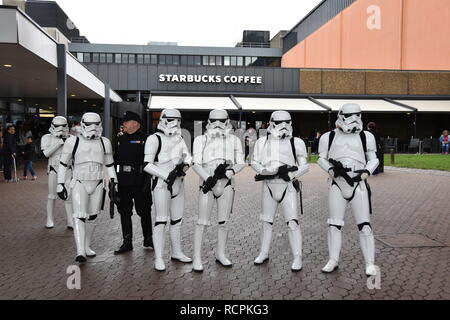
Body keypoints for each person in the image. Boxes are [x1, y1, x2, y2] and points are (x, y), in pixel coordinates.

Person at [317, 103, 379, 276]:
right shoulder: (328, 137)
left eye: (357, 115)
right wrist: (330, 169)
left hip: (358, 183)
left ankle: (369, 263)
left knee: (365, 224)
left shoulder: (366, 137)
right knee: (334, 224)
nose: (354, 120)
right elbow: (321, 158)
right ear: (340, 116)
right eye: (349, 116)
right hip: (336, 183)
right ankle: (333, 259)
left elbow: (374, 159)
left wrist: (366, 172)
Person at [251, 111, 309, 271]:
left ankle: (297, 256)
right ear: (271, 124)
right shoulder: (261, 142)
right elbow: (254, 162)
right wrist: (264, 171)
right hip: (268, 185)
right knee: (266, 222)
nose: (284, 126)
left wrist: (292, 174)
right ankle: (263, 252)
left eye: (287, 122)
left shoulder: (296, 142)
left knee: (292, 222)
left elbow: (305, 165)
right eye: (279, 123)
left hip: (287, 187)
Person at [57, 112, 118, 262]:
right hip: (79, 181)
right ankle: (80, 250)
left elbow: (109, 164)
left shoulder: (105, 142)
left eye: (96, 124)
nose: (93, 128)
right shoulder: (73, 142)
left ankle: (86, 246)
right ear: (83, 124)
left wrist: (114, 182)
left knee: (92, 217)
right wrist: (59, 184)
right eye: (89, 124)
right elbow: (63, 164)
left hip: (97, 182)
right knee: (79, 216)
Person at [191, 109, 246, 272]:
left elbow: (240, 162)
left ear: (228, 122)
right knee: (202, 222)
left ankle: (221, 254)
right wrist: (207, 178)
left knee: (224, 222)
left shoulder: (235, 140)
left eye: (222, 121)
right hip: (207, 184)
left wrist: (230, 172)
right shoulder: (200, 140)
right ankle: (197, 257)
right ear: (208, 122)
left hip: (227, 184)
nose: (218, 125)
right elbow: (196, 163)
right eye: (214, 121)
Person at [143, 109, 192, 271]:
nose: (175, 123)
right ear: (163, 120)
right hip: (161, 185)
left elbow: (188, 157)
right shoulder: (154, 138)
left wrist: (184, 167)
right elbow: (147, 164)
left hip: (178, 184)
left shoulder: (180, 138)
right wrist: (166, 175)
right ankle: (159, 257)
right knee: (161, 220)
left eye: (178, 120)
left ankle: (176, 252)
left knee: (177, 221)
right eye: (171, 120)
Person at [113, 111, 153, 255]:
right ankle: (127, 241)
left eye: (126, 121)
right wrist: (114, 181)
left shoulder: (147, 139)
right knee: (124, 212)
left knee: (144, 211)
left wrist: (149, 180)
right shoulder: (119, 139)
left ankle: (148, 239)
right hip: (123, 181)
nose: (123, 124)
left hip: (140, 180)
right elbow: (115, 160)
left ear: (135, 123)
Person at [41, 116, 73, 229]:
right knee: (52, 195)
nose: (60, 129)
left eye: (63, 126)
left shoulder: (71, 138)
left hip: (68, 169)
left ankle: (70, 220)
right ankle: (50, 219)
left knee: (68, 195)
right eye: (57, 126)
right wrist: (59, 142)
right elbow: (46, 154)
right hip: (54, 169)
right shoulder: (47, 138)